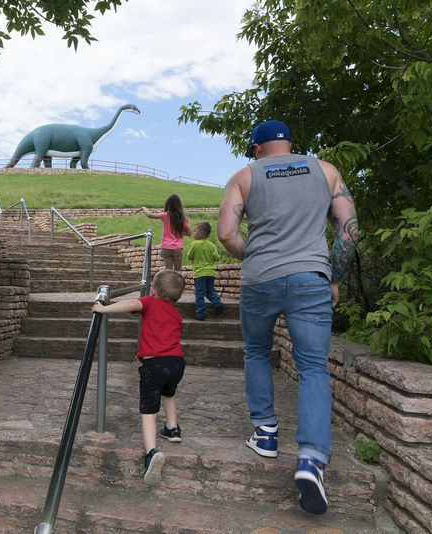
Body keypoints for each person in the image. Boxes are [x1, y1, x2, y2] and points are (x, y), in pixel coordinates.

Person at [218, 119, 358, 515]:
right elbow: (349, 230)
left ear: (258, 148)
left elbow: (227, 233)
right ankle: (311, 459)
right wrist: (334, 278)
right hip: (310, 278)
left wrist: (257, 256)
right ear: (290, 144)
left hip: (259, 281)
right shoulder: (325, 170)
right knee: (314, 368)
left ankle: (265, 434)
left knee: (257, 352)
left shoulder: (244, 176)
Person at [92, 269, 186, 486]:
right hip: (176, 363)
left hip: (154, 365)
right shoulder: (176, 314)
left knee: (148, 410)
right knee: (169, 393)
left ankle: (151, 452)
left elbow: (131, 304)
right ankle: (173, 428)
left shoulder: (150, 302)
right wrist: (144, 352)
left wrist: (103, 308)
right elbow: (164, 336)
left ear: (153, 290)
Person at [141, 194, 191, 271]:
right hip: (178, 248)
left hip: (166, 247)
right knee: (178, 272)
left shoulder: (164, 215)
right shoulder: (183, 218)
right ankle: (177, 283)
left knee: (168, 272)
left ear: (167, 205)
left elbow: (149, 215)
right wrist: (180, 232)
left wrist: (143, 208)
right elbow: (189, 233)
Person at [187, 221, 224, 320]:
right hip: (210, 273)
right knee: (210, 290)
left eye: (195, 231)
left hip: (199, 274)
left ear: (201, 233)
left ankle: (201, 314)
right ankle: (217, 303)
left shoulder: (194, 244)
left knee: (199, 294)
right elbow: (216, 258)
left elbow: (189, 257)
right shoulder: (211, 245)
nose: (193, 233)